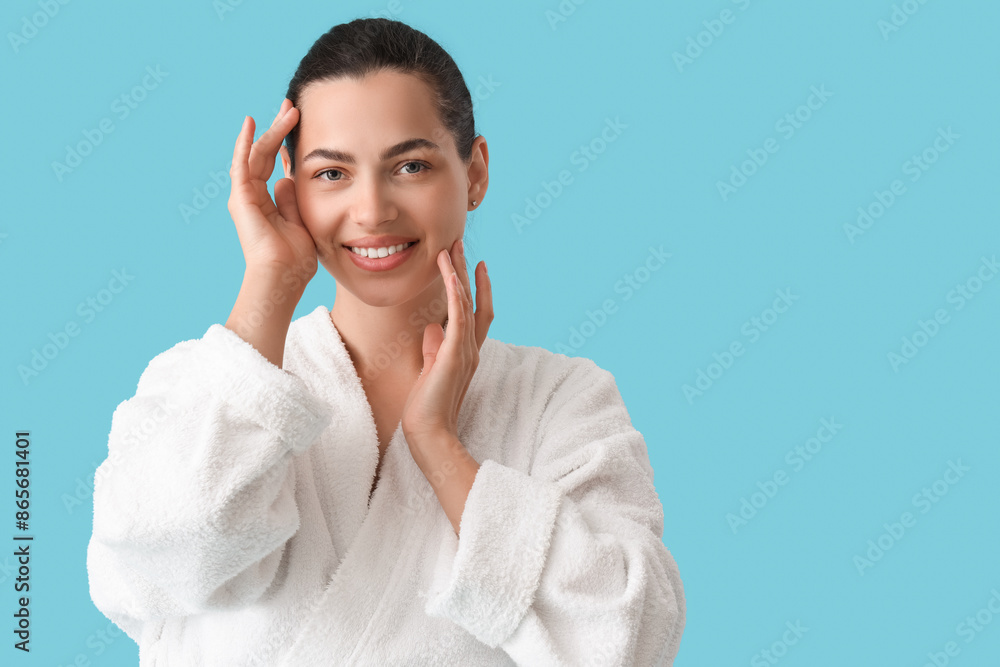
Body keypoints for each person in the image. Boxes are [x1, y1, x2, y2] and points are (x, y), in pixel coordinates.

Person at [86, 17, 685, 666]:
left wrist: (440, 448)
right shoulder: (199, 387)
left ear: (475, 172)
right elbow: (146, 567)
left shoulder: (557, 402)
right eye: (331, 174)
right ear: (289, 189)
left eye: (410, 165)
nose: (371, 210)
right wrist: (270, 281)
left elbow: (632, 637)